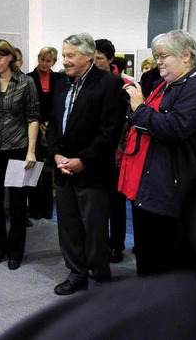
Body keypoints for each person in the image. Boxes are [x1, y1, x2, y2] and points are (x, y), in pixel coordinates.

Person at [0, 169, 196, 340]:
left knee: (95, 227)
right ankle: (78, 272)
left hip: (98, 171)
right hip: (72, 168)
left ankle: (98, 273)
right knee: (73, 225)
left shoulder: (148, 305)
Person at [119, 30, 196, 276]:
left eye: (163, 56)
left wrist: (140, 108)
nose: (158, 62)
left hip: (174, 191)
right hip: (157, 185)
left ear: (186, 56)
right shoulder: (173, 84)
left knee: (164, 261)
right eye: (156, 56)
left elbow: (174, 128)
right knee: (149, 254)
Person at [46, 33, 126, 295]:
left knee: (94, 227)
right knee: (68, 225)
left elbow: (110, 131)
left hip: (93, 171)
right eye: (64, 54)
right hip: (64, 168)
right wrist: (55, 154)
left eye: (70, 55)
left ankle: (100, 277)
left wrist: (84, 160)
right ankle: (77, 272)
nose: (65, 61)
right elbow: (54, 123)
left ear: (88, 55)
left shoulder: (109, 84)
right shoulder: (60, 83)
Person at [0, 39, 39, 270]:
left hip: (17, 147)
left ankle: (15, 252)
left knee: (16, 203)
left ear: (10, 57)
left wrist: (31, 151)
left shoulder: (26, 82)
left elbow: (33, 118)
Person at [94, 38, 128, 264]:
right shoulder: (89, 82)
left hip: (116, 153)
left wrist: (119, 150)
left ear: (110, 60)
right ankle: (100, 243)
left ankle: (117, 245)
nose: (95, 62)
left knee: (116, 202)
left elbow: (125, 123)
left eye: (99, 59)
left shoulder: (123, 84)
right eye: (93, 58)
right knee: (97, 202)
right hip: (95, 152)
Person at [26, 46, 61, 221]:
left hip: (52, 128)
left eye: (48, 61)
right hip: (34, 128)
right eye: (42, 59)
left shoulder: (58, 78)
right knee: (34, 168)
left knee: (48, 171)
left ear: (53, 62)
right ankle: (34, 208)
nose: (44, 63)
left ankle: (47, 208)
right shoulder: (29, 78)